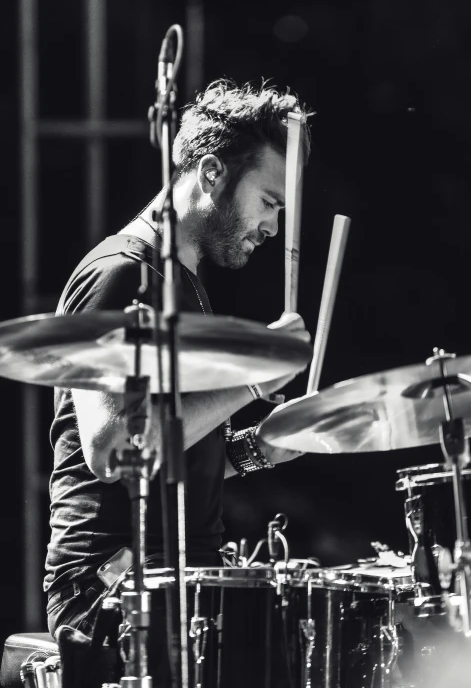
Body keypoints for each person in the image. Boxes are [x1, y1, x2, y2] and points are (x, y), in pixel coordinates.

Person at [44, 80, 312, 646]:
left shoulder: (181, 287)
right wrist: (250, 381)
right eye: (268, 202)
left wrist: (255, 450)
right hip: (112, 586)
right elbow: (113, 449)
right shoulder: (121, 273)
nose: (272, 228)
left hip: (181, 580)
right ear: (212, 172)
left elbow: (176, 451)